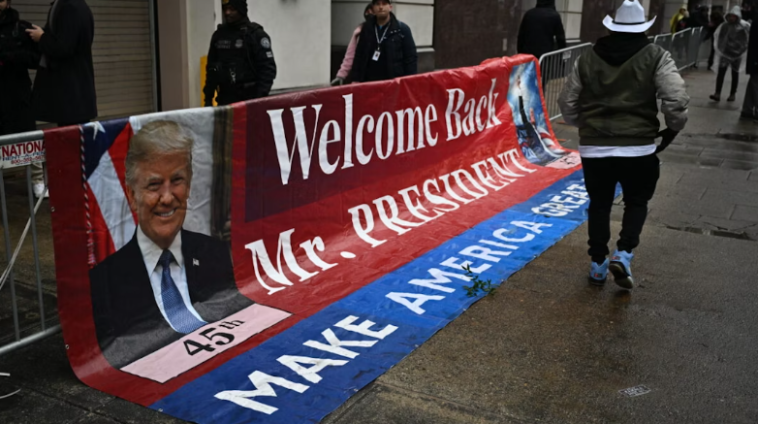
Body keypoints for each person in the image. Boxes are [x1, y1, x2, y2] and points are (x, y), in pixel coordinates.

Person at [89, 121, 254, 369]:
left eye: (177, 180)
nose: (167, 198)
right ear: (132, 195)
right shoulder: (103, 282)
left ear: (188, 186)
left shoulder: (216, 253)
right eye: (154, 185)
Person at [558, 0, 689, 289]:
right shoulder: (656, 56)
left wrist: (585, 125)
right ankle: (624, 253)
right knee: (637, 202)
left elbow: (566, 102)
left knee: (600, 204)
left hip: (595, 149)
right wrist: (672, 129)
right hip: (638, 148)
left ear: (613, 27)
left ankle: (597, 264)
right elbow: (676, 99)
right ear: (643, 27)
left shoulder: (588, 57)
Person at [26, 0, 96, 198]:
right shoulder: (78, 5)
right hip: (75, 93)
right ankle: (78, 187)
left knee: (71, 142)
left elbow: (63, 46)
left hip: (70, 93)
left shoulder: (69, 7)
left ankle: (74, 189)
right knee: (76, 142)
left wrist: (42, 37)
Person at [203, 0, 276, 106]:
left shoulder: (256, 35)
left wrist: (259, 100)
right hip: (225, 101)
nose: (227, 13)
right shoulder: (219, 36)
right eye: (225, 9)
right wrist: (208, 99)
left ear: (241, 9)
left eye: (232, 9)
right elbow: (211, 70)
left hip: (250, 100)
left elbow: (267, 71)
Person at [350, 0, 417, 83]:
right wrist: (356, 79)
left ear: (390, 7)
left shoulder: (401, 29)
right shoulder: (367, 28)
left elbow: (410, 58)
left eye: (384, 4)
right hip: (369, 81)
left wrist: (408, 82)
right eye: (377, 4)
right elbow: (359, 55)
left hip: (393, 82)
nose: (381, 7)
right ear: (373, 8)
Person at [0, 0, 39, 136]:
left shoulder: (22, 28)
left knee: (22, 146)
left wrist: (13, 56)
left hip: (17, 100)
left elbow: (38, 59)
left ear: (8, 3)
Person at [517, 0, 567, 86]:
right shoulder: (554, 16)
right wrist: (562, 58)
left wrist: (520, 52)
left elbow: (521, 35)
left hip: (527, 54)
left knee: (526, 82)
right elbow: (561, 39)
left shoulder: (529, 14)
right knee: (541, 83)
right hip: (544, 56)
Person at [709, 7, 751, 102]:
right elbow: (720, 38)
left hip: (737, 54)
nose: (732, 18)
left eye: (734, 16)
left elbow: (746, 40)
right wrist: (721, 50)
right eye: (730, 16)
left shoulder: (743, 26)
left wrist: (740, 51)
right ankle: (717, 93)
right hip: (725, 52)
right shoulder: (725, 26)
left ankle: (732, 94)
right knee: (721, 73)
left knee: (735, 73)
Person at [331, 3, 373, 86]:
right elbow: (350, 54)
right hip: (361, 78)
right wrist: (341, 75)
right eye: (368, 12)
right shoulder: (359, 32)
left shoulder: (390, 30)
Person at [742, 6, 758, 121]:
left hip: (755, 60)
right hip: (756, 59)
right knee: (756, 84)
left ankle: (747, 109)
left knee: (753, 84)